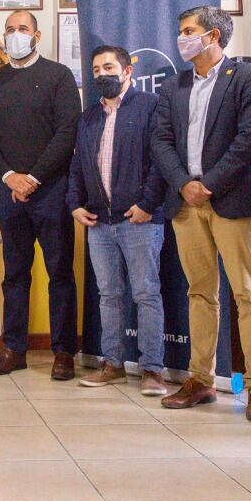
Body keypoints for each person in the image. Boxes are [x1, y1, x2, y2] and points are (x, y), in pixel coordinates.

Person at [152, 5, 251, 421]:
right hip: (186, 203)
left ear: (214, 36)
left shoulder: (248, 77)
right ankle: (200, 379)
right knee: (199, 293)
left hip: (233, 199)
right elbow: (161, 140)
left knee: (247, 292)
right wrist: (184, 183)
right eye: (181, 30)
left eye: (189, 31)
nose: (182, 38)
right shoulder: (173, 86)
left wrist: (210, 183)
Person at [0, 10, 81, 378]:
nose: (15, 35)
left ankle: (64, 352)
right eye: (9, 30)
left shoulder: (58, 76)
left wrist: (33, 177)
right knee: (15, 274)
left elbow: (67, 132)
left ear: (36, 36)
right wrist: (9, 176)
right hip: (8, 192)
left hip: (52, 190)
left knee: (59, 273)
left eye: (22, 29)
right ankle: (13, 348)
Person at [69, 45, 168, 397]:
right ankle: (111, 364)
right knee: (108, 295)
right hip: (99, 221)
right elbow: (78, 166)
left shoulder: (150, 107)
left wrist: (147, 204)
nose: (101, 74)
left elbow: (162, 162)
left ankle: (152, 370)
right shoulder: (88, 117)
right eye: (96, 70)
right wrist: (74, 205)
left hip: (139, 219)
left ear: (127, 72)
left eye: (108, 67)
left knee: (145, 294)